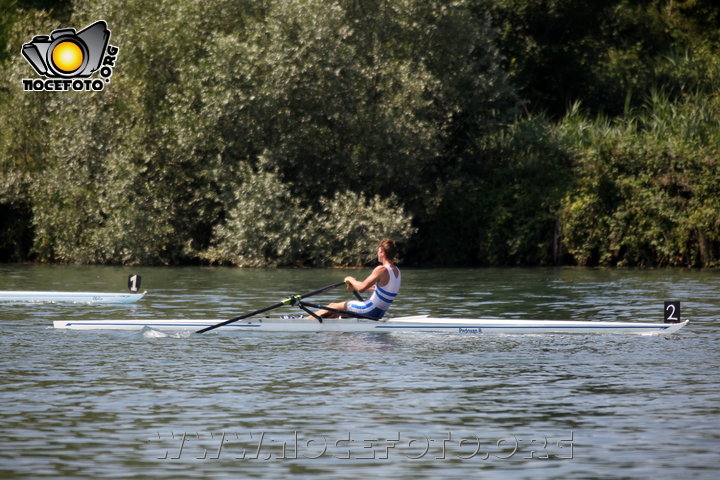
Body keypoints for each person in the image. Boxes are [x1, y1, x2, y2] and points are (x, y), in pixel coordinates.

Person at [315, 239, 401, 319]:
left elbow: (361, 288)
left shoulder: (381, 269)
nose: (377, 254)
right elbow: (376, 289)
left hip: (369, 310)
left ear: (382, 252)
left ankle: (305, 321)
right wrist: (354, 286)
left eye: (378, 251)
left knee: (332, 306)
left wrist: (350, 279)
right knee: (336, 312)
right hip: (379, 313)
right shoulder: (396, 271)